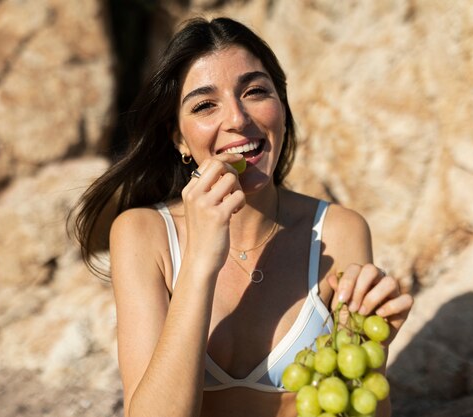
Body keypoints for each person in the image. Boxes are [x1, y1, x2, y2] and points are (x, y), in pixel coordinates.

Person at [72, 16, 413, 417]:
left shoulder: (340, 231)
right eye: (204, 104)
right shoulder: (143, 234)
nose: (237, 119)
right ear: (178, 137)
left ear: (281, 107)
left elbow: (360, 410)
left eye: (254, 91)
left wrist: (374, 351)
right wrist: (200, 261)